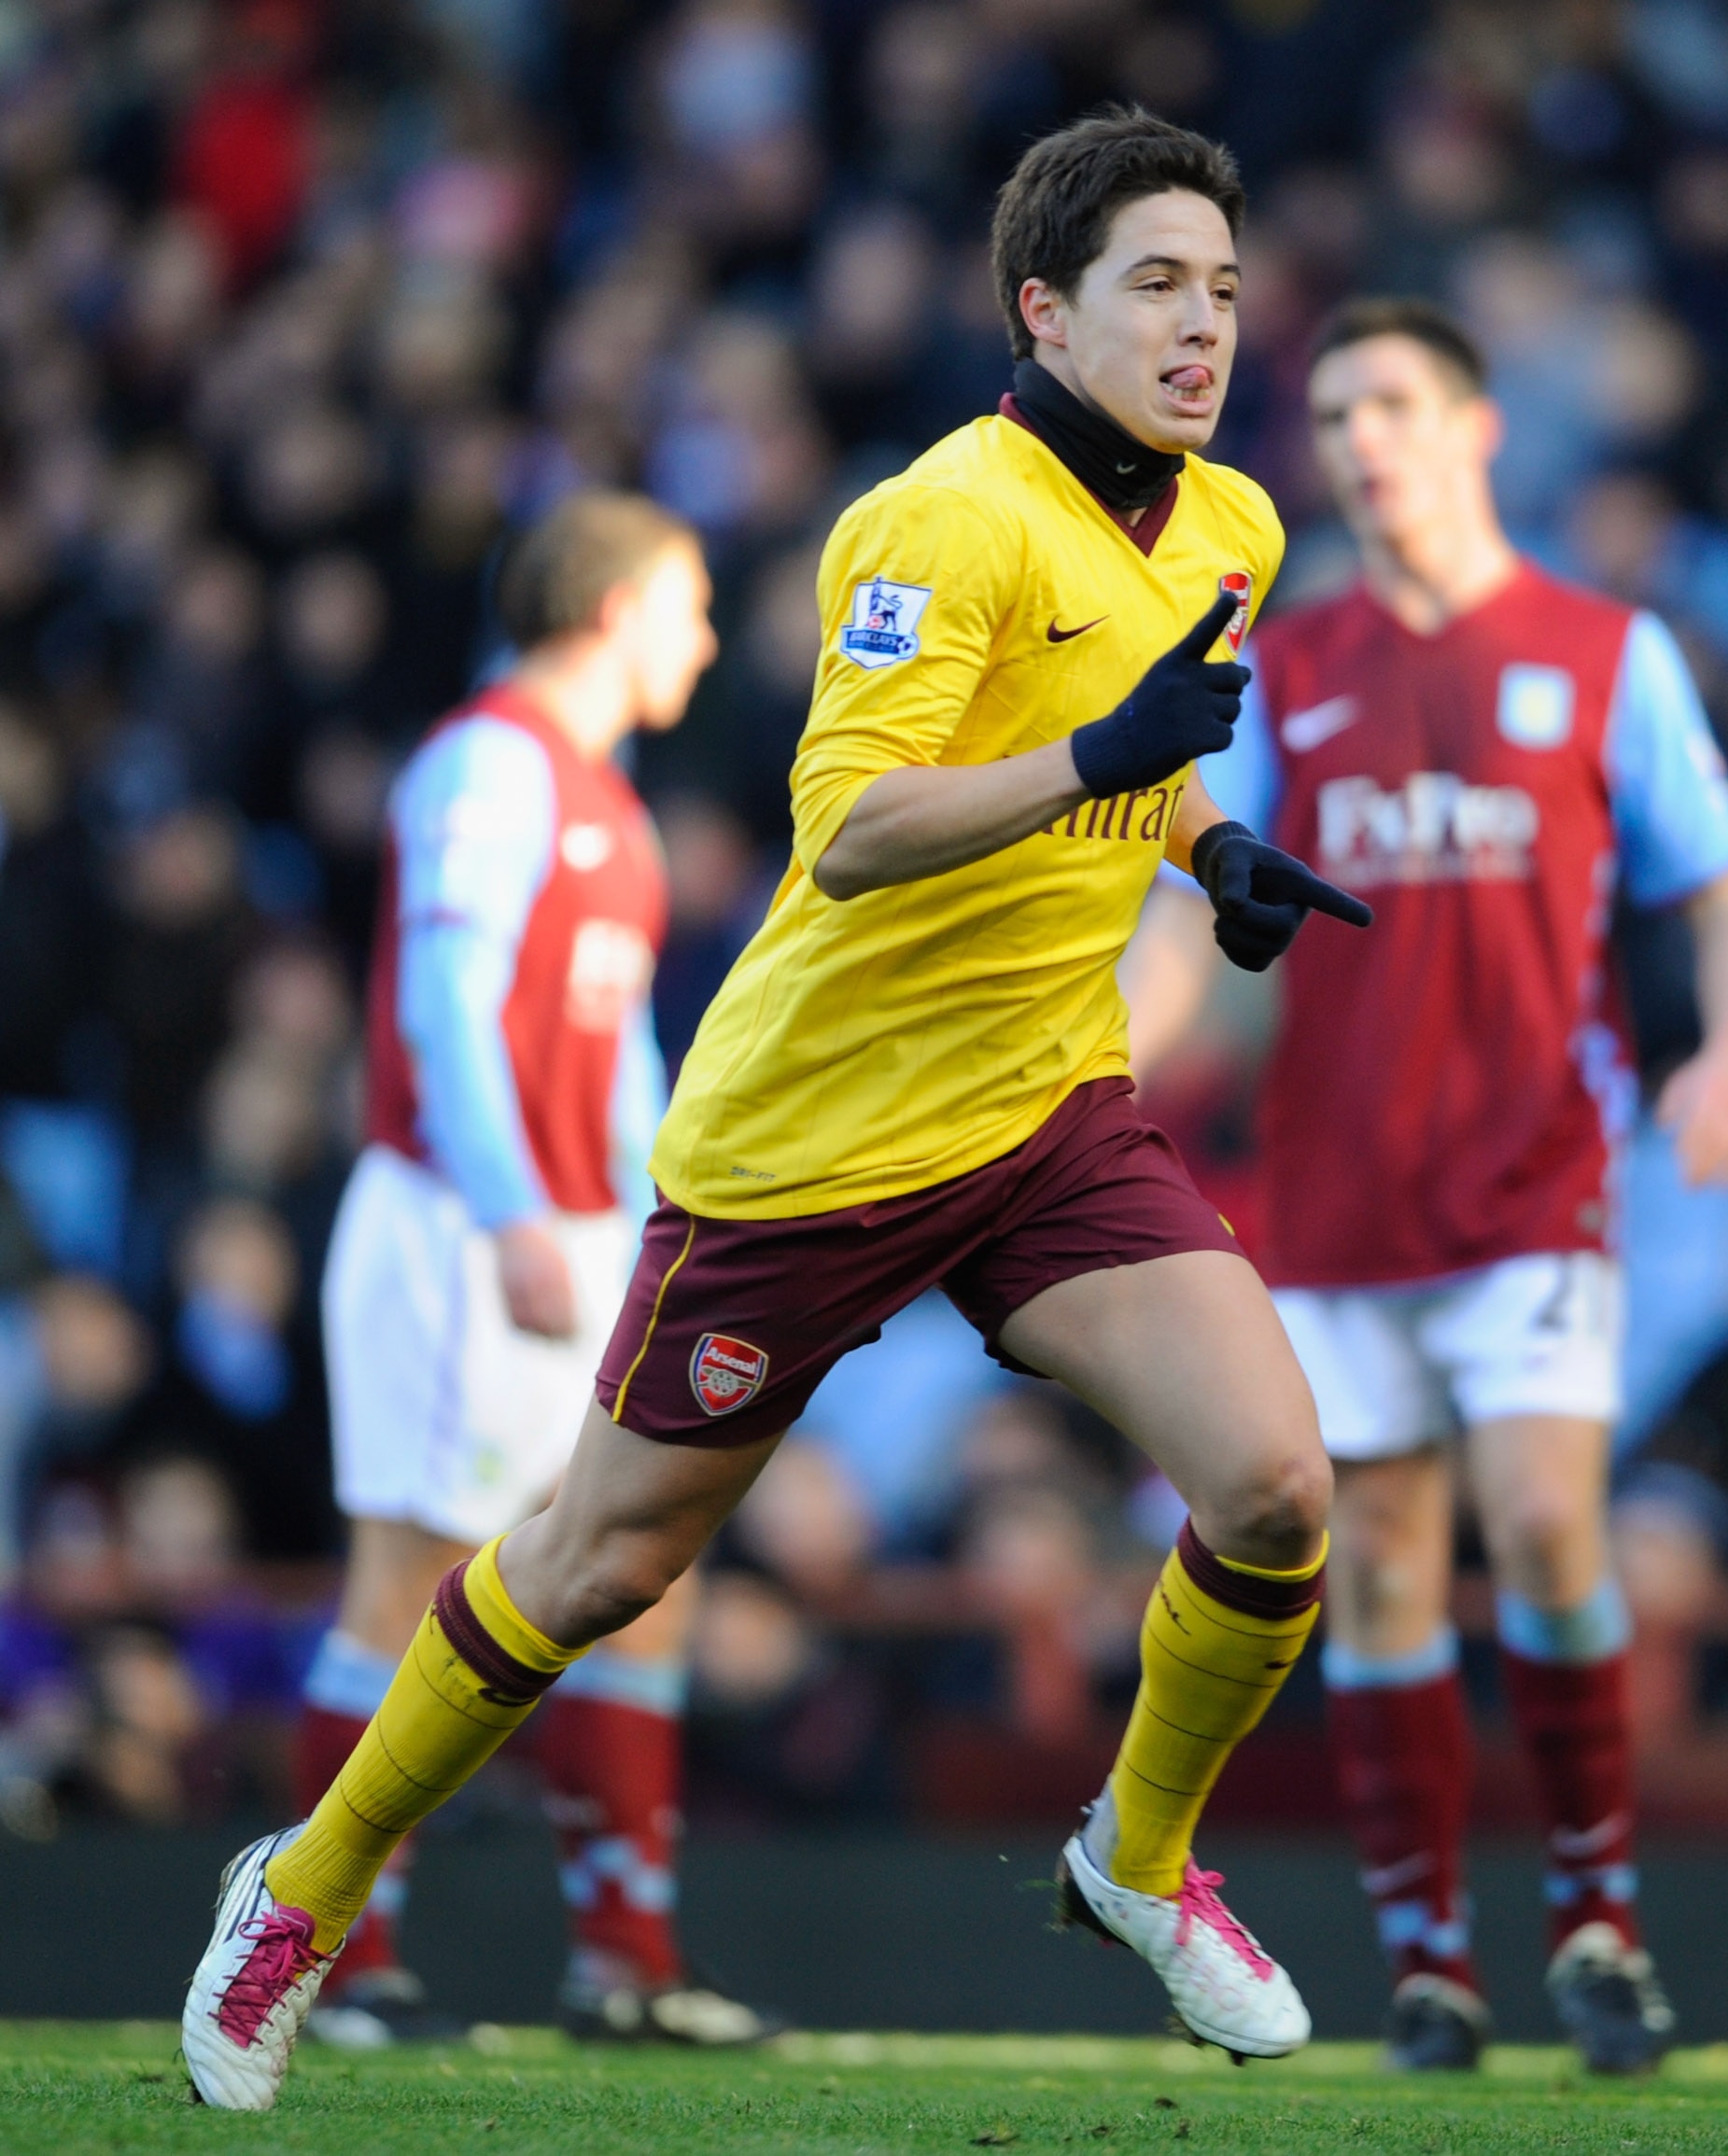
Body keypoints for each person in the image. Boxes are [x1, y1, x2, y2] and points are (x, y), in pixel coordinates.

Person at [183, 108, 1371, 2111]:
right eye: (1155, 287)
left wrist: (1208, 842)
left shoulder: (1233, 525)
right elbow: (850, 832)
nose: (1202, 329)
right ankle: (299, 1890)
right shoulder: (937, 520)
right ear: (1042, 309)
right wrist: (1116, 748)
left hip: (1045, 1112)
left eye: (1225, 292)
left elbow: (1131, 763)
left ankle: (1139, 1864)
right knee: (592, 1568)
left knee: (1275, 1488)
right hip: (810, 1147)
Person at [1129, 298, 1728, 2073]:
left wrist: (1726, 1053)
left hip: (1533, 1178)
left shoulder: (1600, 651)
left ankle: (1596, 1916)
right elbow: (1194, 906)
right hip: (1338, 1189)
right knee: (1392, 1562)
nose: (1360, 437)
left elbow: (1720, 891)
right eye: (1334, 410)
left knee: (1552, 1520)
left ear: (1478, 425)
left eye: (1394, 402)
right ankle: (1431, 1955)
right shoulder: (1280, 664)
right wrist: (1103, 1056)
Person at [301, 489, 775, 2051]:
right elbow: (446, 1003)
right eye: (689, 605)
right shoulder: (487, 764)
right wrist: (510, 1207)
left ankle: (624, 1960)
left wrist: (664, 1220)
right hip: (457, 1225)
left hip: (570, 1232)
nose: (703, 640)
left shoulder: (608, 801)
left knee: (642, 1583)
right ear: (621, 606)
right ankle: (329, 1953)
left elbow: (614, 1052)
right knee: (412, 1577)